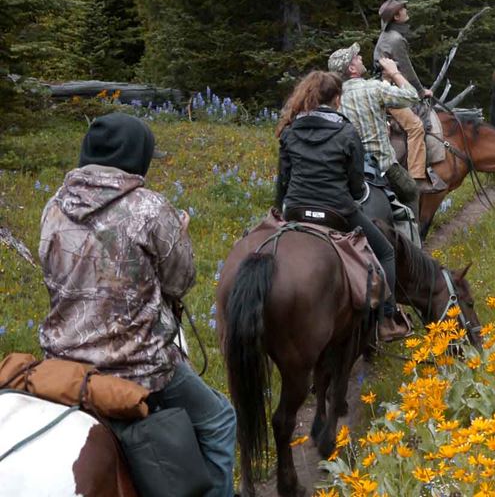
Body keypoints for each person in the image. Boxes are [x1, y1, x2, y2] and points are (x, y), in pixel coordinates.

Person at [38, 112, 237, 497]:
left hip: (63, 363)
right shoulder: (149, 207)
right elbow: (181, 281)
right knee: (219, 420)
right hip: (137, 366)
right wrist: (177, 234)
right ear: (136, 157)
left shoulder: (53, 205)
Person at [274, 71, 411, 341]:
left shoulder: (290, 131)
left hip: (297, 211)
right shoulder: (347, 131)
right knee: (385, 254)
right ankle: (386, 318)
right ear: (337, 99)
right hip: (337, 211)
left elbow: (283, 183)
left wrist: (281, 211)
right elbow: (357, 187)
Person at [328, 42, 423, 219]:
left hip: (350, 168)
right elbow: (412, 96)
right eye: (356, 58)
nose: (361, 57)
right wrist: (394, 72)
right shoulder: (373, 88)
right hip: (382, 166)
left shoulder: (335, 97)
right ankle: (413, 241)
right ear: (352, 68)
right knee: (410, 191)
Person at [374, 0, 442, 192]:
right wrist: (421, 92)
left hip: (386, 86)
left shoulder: (388, 35)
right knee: (416, 126)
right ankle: (416, 178)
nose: (406, 10)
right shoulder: (396, 39)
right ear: (397, 16)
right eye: (403, 9)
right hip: (390, 91)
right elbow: (407, 69)